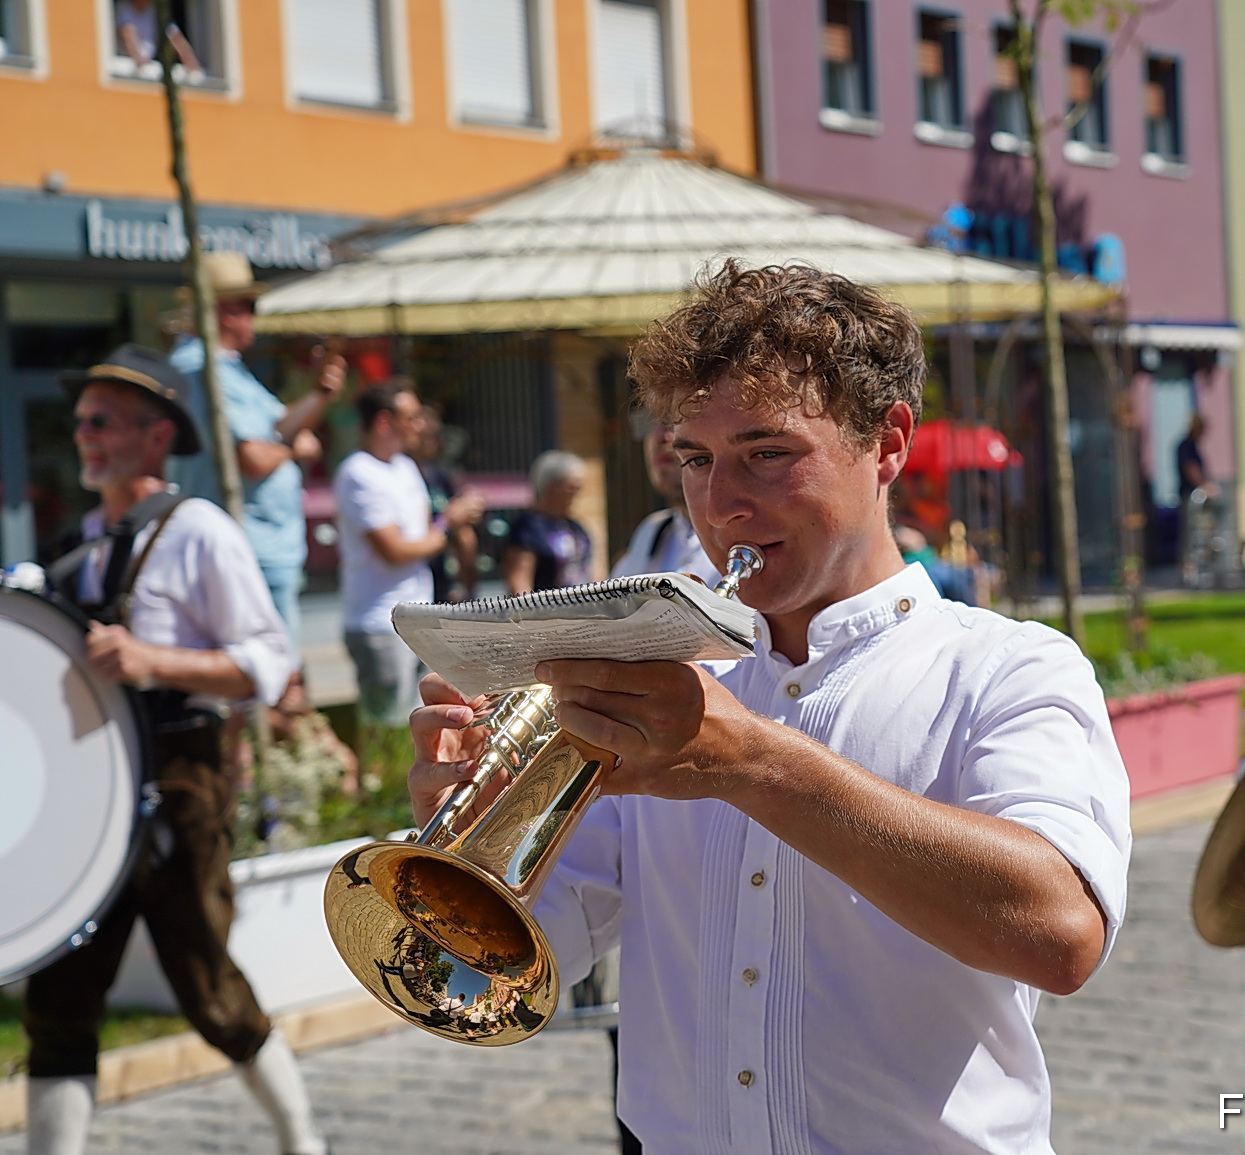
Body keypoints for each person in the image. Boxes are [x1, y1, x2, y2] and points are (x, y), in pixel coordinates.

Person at [406, 262, 1131, 1152]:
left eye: (767, 453)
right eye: (696, 459)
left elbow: (1060, 934)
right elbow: (530, 956)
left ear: (889, 442)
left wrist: (752, 761)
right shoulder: (654, 671)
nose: (721, 505)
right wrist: (471, 835)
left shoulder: (1007, 668)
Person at [28, 344, 324, 1155]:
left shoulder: (199, 531)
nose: (84, 436)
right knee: (60, 988)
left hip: (179, 776)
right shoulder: (74, 539)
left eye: (103, 422)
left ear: (156, 437)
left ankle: (303, 1140)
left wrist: (154, 660)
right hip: (87, 780)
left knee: (203, 979)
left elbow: (268, 661)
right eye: (80, 422)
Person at [169, 251, 346, 646]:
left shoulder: (225, 367)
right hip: (250, 548)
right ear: (221, 312)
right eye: (247, 306)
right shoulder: (203, 368)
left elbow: (278, 429)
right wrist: (293, 450)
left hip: (260, 546)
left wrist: (318, 396)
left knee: (269, 671)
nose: (252, 316)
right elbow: (254, 458)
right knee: (270, 672)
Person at [334, 382, 482, 726]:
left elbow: (423, 535)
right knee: (386, 729)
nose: (421, 424)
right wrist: (450, 522)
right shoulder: (358, 472)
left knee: (421, 725)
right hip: (378, 623)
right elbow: (395, 551)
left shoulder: (404, 466)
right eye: (412, 417)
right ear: (385, 422)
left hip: (418, 616)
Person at [609, 413, 719, 584]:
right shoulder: (651, 533)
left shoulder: (756, 538)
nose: (660, 436)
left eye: (675, 421)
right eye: (653, 422)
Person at [410, 399, 479, 603]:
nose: (433, 441)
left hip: (441, 580)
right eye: (426, 436)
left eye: (435, 435)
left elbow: (461, 534)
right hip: (414, 581)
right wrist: (449, 520)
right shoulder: (400, 477)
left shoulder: (438, 475)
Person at [501, 450, 595, 595]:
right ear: (552, 487)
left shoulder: (575, 527)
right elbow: (519, 581)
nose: (578, 490)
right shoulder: (528, 528)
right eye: (572, 485)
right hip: (547, 613)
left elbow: (590, 570)